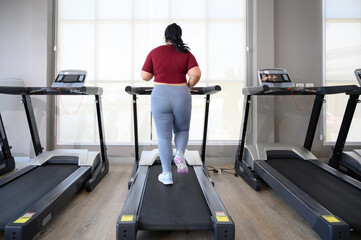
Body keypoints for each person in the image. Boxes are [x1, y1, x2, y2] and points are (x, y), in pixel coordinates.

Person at [141, 23, 201, 185]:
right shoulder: (186, 53)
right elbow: (195, 74)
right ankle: (180, 154)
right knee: (182, 129)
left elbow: (145, 76)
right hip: (181, 94)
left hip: (160, 95)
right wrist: (188, 86)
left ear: (165, 36)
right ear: (179, 36)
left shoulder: (155, 52)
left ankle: (166, 174)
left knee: (163, 137)